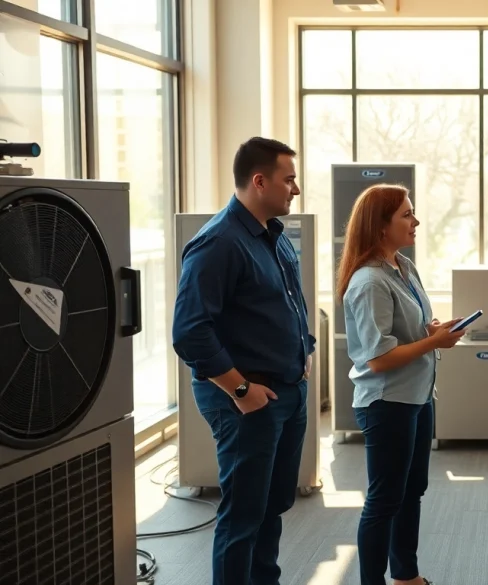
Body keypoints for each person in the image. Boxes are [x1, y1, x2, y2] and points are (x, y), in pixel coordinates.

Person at [171, 137, 315, 585]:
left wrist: (304, 349)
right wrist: (239, 390)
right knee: (243, 515)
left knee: (273, 505)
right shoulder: (218, 242)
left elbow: (288, 301)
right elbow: (190, 332)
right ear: (259, 181)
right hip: (247, 398)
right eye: (288, 179)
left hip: (286, 390)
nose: (295, 189)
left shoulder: (273, 234)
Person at [336, 183, 465, 585]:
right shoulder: (369, 282)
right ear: (380, 227)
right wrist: (433, 341)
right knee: (384, 499)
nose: (416, 221)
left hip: (418, 396)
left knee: (411, 492)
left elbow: (405, 332)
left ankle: (406, 576)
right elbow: (377, 357)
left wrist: (432, 330)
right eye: (406, 215)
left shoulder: (404, 267)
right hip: (387, 401)